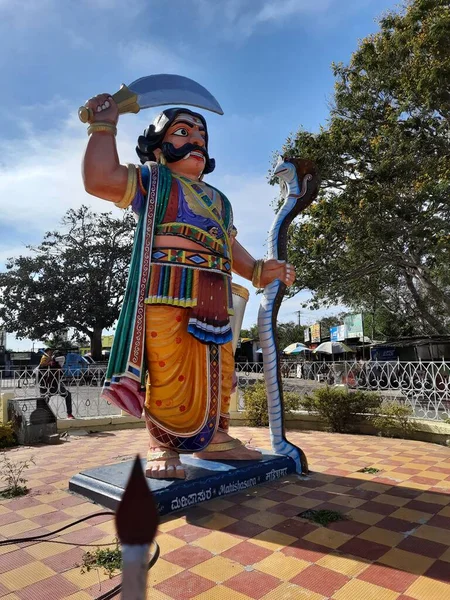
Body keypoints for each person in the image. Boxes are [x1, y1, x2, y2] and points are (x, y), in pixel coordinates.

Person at [82, 93, 296, 479]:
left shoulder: (219, 200)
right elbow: (99, 179)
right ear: (158, 146)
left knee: (219, 368)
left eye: (202, 135)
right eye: (183, 132)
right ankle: (162, 443)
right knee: (168, 369)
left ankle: (215, 435)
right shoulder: (153, 180)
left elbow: (230, 249)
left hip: (215, 292)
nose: (196, 140)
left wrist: (264, 270)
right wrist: (104, 126)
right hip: (167, 287)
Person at [39, 349, 75, 419]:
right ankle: (43, 417)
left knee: (67, 395)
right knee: (44, 401)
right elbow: (42, 368)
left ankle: (69, 414)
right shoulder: (44, 363)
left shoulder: (56, 364)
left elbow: (60, 370)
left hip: (54, 385)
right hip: (47, 386)